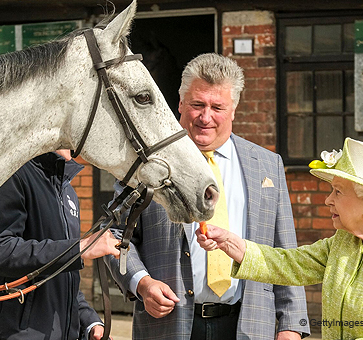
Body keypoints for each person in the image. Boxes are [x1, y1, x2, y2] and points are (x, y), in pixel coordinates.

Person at [106, 53, 309, 340]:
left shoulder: (267, 165)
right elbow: (113, 234)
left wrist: (291, 324)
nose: (206, 117)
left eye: (217, 107)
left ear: (234, 110)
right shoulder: (145, 163)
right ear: (179, 103)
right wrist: (141, 282)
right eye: (197, 104)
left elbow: (284, 249)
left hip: (249, 324)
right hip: (169, 326)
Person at [198, 138, 363, 340]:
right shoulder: (346, 240)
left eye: (338, 191)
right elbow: (292, 264)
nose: (328, 200)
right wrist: (232, 244)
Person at [0, 150, 120, 340]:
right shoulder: (10, 175)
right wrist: (79, 248)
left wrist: (90, 322)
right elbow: (2, 252)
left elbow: (63, 278)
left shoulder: (67, 191)